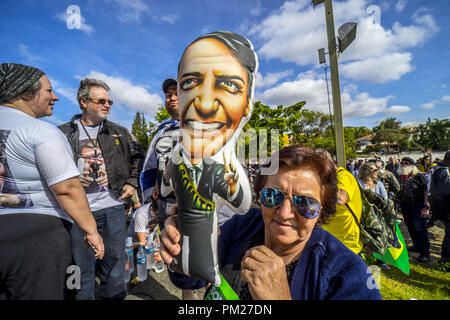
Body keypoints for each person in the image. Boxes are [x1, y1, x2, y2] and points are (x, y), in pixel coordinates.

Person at [161, 146, 382, 300]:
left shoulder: (347, 273)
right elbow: (191, 281)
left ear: (322, 213)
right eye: (272, 196)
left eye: (305, 203)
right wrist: (183, 248)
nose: (285, 213)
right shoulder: (242, 227)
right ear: (259, 197)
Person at [0, 63, 104, 300]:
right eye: (48, 91)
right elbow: (67, 188)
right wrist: (91, 230)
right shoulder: (40, 131)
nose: (55, 96)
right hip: (37, 237)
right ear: (26, 92)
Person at [160, 31, 255, 286]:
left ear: (247, 103)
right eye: (189, 83)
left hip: (218, 259)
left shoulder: (223, 170)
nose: (204, 105)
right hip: (184, 263)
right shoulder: (175, 157)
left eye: (230, 85)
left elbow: (242, 203)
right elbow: (164, 187)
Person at [58, 78, 145, 300]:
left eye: (110, 101)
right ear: (83, 102)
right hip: (76, 211)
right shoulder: (63, 133)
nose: (107, 105)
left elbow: (139, 156)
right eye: (101, 101)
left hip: (112, 208)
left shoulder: (120, 132)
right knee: (79, 266)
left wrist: (132, 182)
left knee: (116, 263)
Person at [141, 77, 179, 231]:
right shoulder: (162, 130)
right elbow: (157, 160)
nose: (172, 98)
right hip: (164, 200)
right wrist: (156, 184)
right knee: (167, 246)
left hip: (190, 201)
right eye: (169, 95)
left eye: (177, 93)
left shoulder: (199, 126)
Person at [321, 152, 364, 255]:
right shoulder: (329, 180)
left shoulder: (343, 176)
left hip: (348, 244)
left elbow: (340, 198)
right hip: (333, 240)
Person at [397, 157, 431, 262]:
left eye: (406, 163)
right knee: (410, 227)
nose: (403, 164)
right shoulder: (399, 176)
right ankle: (416, 246)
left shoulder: (419, 176)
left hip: (418, 206)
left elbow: (426, 192)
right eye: (402, 163)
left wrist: (426, 207)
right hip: (405, 206)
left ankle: (425, 253)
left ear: (412, 165)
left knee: (420, 228)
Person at [430, 151, 450, 269]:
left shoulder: (440, 170)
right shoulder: (444, 171)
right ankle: (446, 260)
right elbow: (446, 192)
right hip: (446, 208)